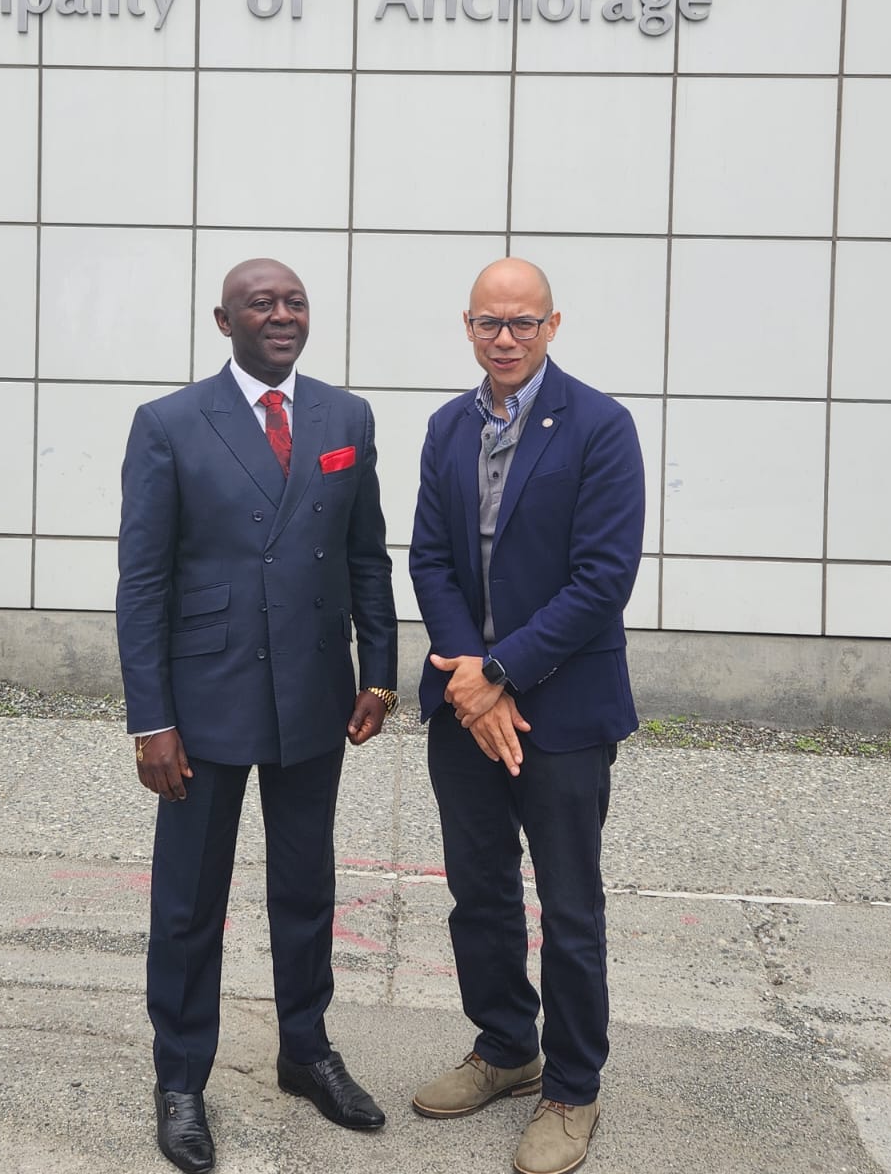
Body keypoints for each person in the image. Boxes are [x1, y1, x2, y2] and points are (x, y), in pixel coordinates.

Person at [116, 257, 398, 1174]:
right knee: (189, 901)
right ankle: (180, 1079)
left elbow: (365, 555)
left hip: (314, 690)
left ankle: (305, 1051)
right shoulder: (168, 424)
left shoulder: (345, 418)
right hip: (204, 701)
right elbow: (142, 583)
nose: (281, 315)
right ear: (223, 320)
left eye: (294, 302)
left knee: (306, 886)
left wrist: (380, 673)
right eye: (260, 304)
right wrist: (151, 720)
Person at [408, 257, 644, 1174]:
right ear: (467, 326)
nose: (504, 339)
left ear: (552, 325)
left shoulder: (600, 427)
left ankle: (573, 1088)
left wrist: (501, 672)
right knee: (480, 892)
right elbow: (431, 560)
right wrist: (471, 682)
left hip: (564, 709)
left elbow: (602, 579)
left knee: (569, 907)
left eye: (522, 322)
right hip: (465, 707)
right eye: (488, 322)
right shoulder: (447, 427)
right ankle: (507, 1046)